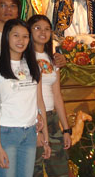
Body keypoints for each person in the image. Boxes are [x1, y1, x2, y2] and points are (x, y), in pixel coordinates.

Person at [0, 19, 51, 177]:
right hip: (6, 134)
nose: (21, 40)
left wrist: (46, 137)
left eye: (25, 36)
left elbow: (40, 103)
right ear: (7, 37)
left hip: (29, 134)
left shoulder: (33, 67)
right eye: (16, 35)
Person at [27, 15, 71, 177]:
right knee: (35, 169)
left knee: (59, 169)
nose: (43, 32)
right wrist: (36, 129)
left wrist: (66, 129)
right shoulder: (25, 58)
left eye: (47, 29)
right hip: (33, 118)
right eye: (37, 28)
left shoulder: (53, 59)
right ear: (29, 32)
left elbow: (57, 95)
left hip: (52, 118)